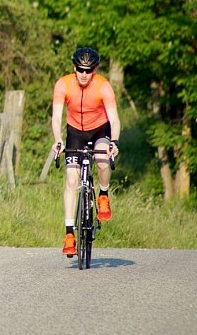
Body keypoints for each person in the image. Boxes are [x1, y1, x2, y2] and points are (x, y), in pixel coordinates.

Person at [51, 47, 120, 256]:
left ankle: (104, 194)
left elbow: (115, 119)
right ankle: (70, 234)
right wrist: (58, 140)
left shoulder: (103, 86)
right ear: (74, 67)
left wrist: (114, 142)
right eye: (80, 69)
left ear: (95, 70)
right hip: (75, 132)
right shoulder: (63, 84)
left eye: (88, 70)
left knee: (101, 158)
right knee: (71, 179)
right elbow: (55, 117)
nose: (83, 74)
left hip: (99, 129)